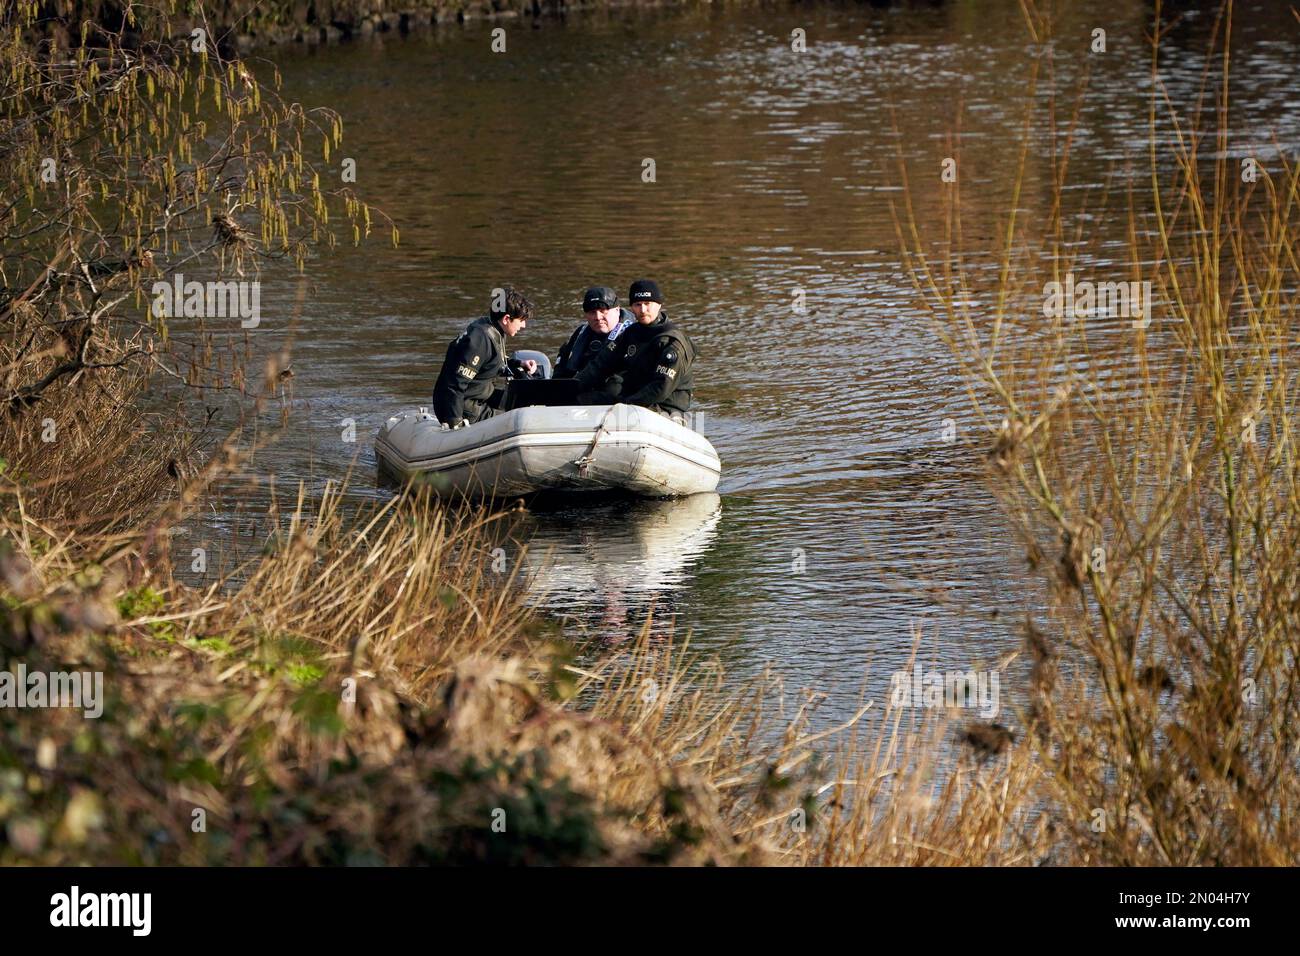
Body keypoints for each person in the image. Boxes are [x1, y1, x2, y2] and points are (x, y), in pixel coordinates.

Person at [573, 279, 696, 421]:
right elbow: (601, 364)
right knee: (584, 399)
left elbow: (660, 389)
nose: (643, 310)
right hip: (633, 402)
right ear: (631, 307)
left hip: (665, 409)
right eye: (638, 304)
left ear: (659, 305)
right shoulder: (630, 333)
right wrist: (572, 387)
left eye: (647, 304)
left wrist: (625, 405)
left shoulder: (672, 343)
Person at [432, 288, 536, 427]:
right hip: (465, 407)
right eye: (521, 320)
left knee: (522, 402)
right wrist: (455, 423)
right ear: (506, 319)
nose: (524, 325)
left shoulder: (494, 328)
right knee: (518, 421)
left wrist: (519, 363)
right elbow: (455, 385)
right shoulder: (479, 340)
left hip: (480, 395)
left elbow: (491, 362)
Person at [554, 286, 634, 388]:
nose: (597, 317)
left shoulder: (633, 333)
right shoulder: (580, 334)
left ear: (617, 310)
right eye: (592, 312)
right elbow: (561, 369)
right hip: (582, 390)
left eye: (603, 311)